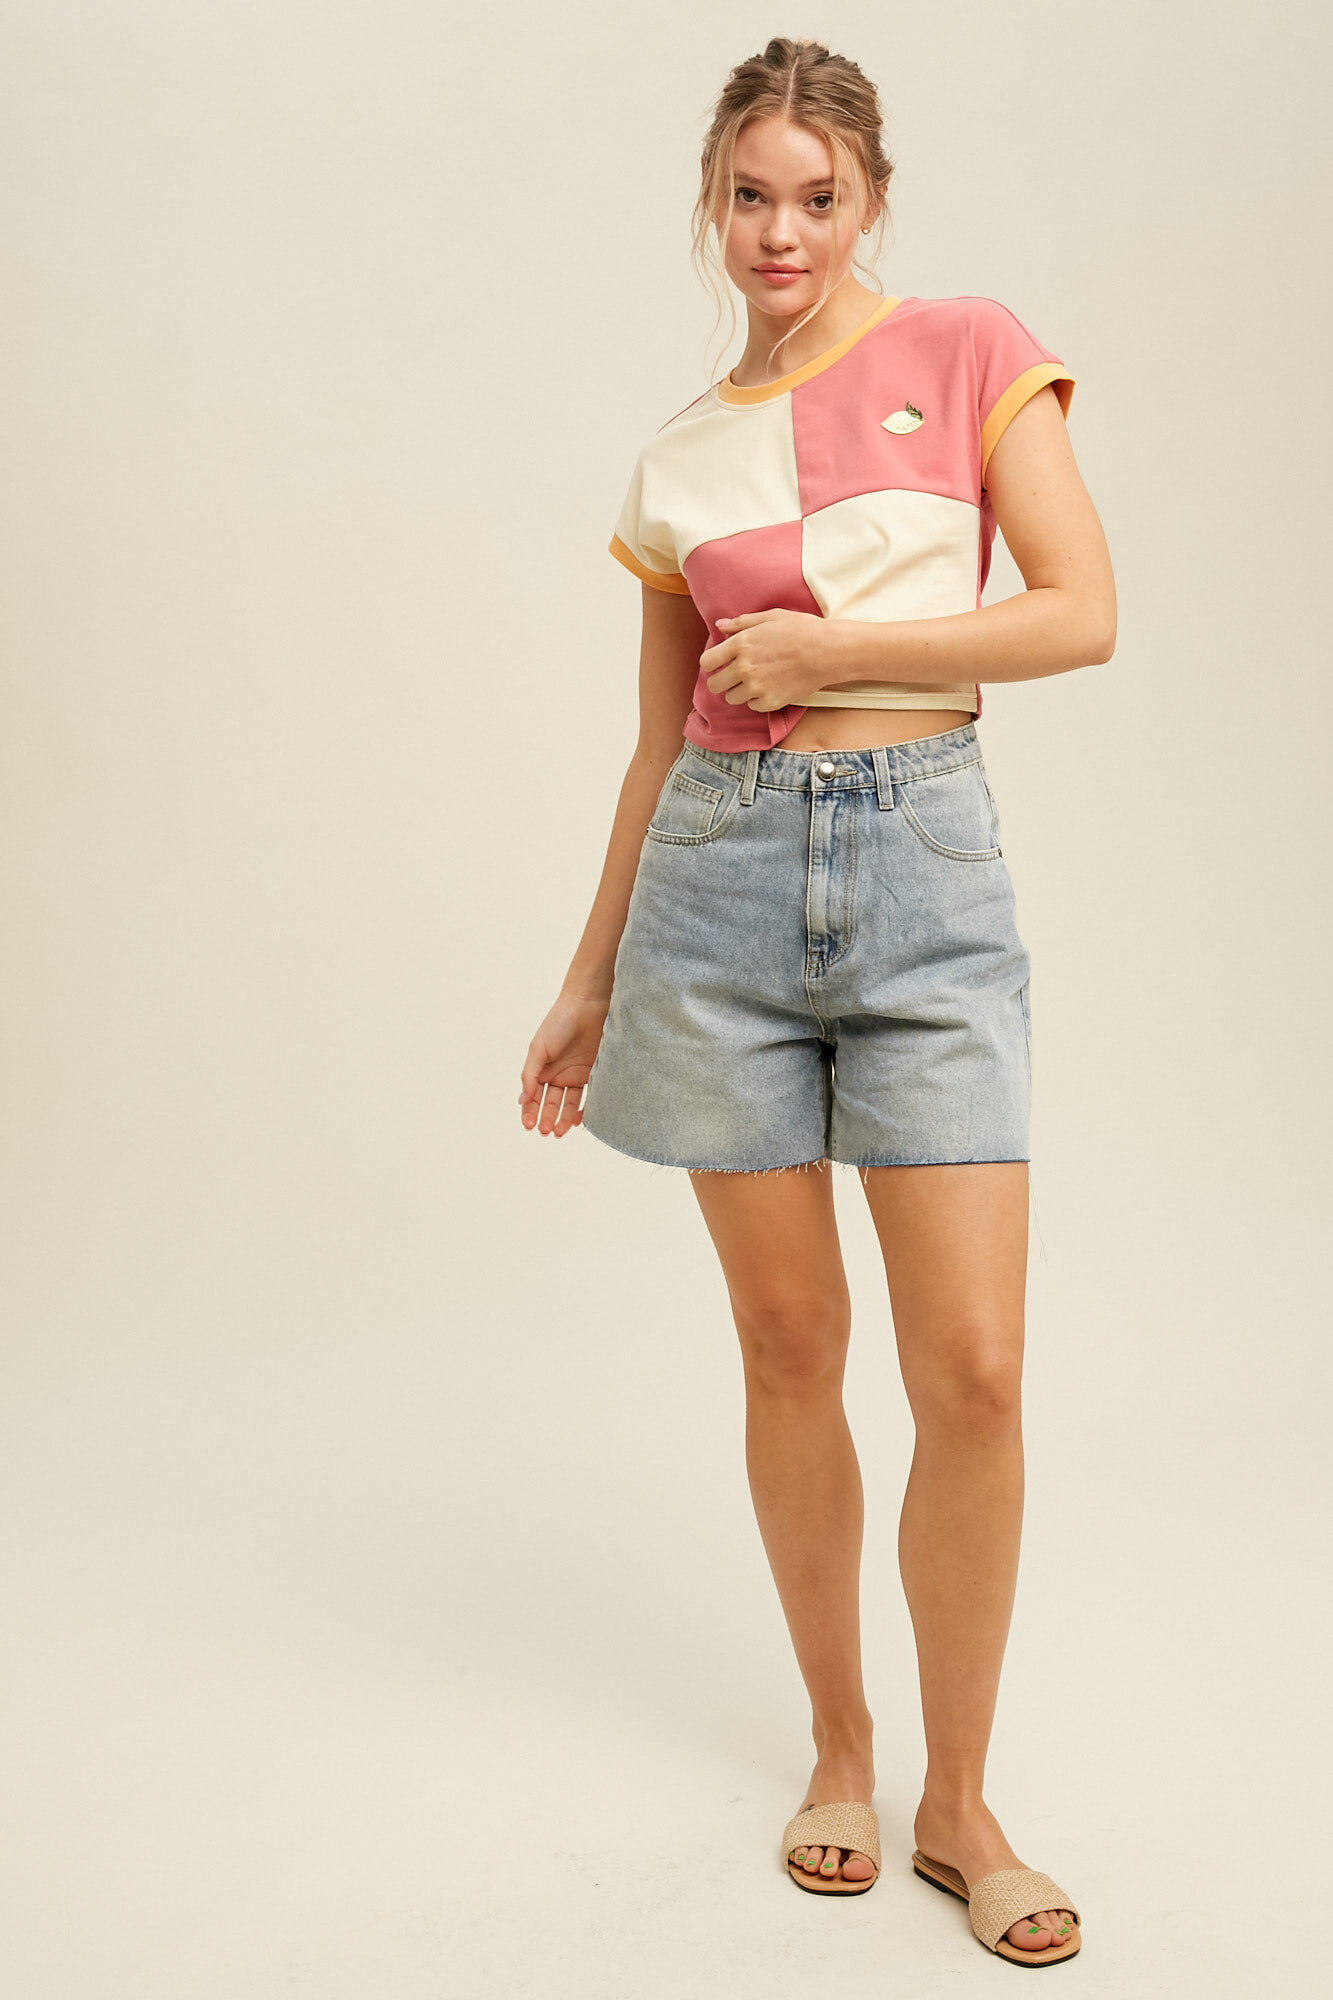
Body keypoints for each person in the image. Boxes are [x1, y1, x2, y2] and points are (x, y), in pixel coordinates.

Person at [518, 36, 1114, 1969]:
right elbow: (649, 749)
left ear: (868, 199)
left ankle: (961, 1799)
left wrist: (834, 645)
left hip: (924, 873)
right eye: (749, 196)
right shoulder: (680, 453)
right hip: (715, 892)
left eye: (815, 195)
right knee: (789, 1348)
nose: (780, 231)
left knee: (975, 1372)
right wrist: (589, 977)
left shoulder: (967, 349)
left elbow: (1078, 610)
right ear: (715, 205)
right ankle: (840, 1751)